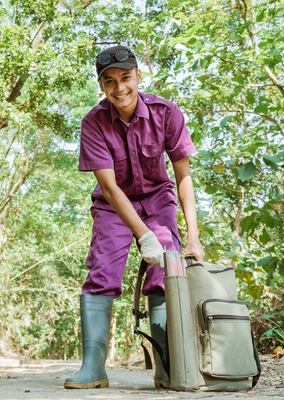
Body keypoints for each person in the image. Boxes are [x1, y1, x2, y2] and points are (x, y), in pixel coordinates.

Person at [64, 45, 204, 390]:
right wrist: (144, 235)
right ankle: (93, 366)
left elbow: (183, 176)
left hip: (158, 200)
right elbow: (110, 188)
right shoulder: (93, 123)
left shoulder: (166, 113)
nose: (119, 88)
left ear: (138, 77)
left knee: (165, 271)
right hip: (113, 205)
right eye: (109, 81)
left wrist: (193, 237)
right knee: (102, 272)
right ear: (101, 86)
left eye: (126, 78)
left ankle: (167, 364)